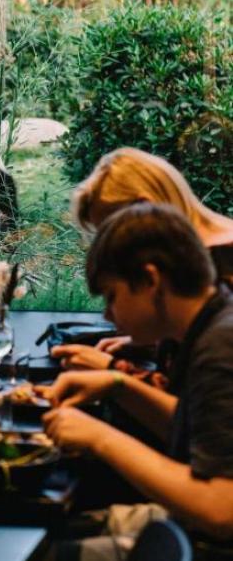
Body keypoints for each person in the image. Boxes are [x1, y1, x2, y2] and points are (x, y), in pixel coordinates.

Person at [41, 204, 233, 555]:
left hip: (207, 544)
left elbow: (222, 509)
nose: (107, 316)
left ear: (150, 280)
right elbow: (200, 433)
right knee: (48, 528)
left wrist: (99, 437)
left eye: (112, 296)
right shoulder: (214, 321)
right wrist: (119, 385)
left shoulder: (220, 348)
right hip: (185, 528)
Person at [54, 147, 233, 373]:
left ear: (146, 209)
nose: (113, 249)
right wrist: (151, 342)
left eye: (115, 228)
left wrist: (116, 373)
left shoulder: (224, 262)